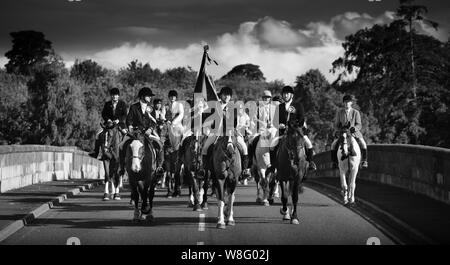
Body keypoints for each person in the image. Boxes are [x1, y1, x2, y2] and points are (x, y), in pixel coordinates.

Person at [118, 87, 165, 175]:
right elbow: (129, 120)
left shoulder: (151, 108)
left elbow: (154, 121)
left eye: (150, 96)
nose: (150, 98)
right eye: (148, 96)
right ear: (142, 96)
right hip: (135, 133)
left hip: (147, 133)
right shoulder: (134, 107)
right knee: (121, 145)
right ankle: (122, 167)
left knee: (160, 144)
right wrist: (131, 127)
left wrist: (150, 129)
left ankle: (159, 167)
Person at [274, 86, 317, 171]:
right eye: (284, 94)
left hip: (296, 131)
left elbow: (301, 119)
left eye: (287, 94)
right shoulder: (279, 107)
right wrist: (279, 125)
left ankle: (310, 162)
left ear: (291, 95)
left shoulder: (298, 105)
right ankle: (273, 164)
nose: (285, 95)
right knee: (272, 145)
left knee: (308, 143)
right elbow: (275, 121)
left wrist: (294, 125)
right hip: (282, 132)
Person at [331, 95, 368, 168]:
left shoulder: (356, 112)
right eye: (345, 102)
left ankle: (364, 161)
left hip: (354, 133)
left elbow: (359, 125)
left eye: (348, 102)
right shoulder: (340, 112)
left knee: (363, 144)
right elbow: (336, 124)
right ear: (343, 103)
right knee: (333, 145)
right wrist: (339, 130)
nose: (346, 104)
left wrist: (354, 128)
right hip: (343, 132)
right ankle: (334, 162)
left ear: (351, 103)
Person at [90, 87, 127, 159]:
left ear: (118, 96)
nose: (114, 96)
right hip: (108, 124)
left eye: (116, 95)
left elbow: (125, 114)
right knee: (98, 135)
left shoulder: (122, 104)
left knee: (126, 134)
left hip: (120, 124)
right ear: (111, 96)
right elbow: (104, 114)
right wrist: (108, 120)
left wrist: (118, 120)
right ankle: (96, 152)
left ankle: (125, 154)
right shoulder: (107, 104)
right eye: (113, 95)